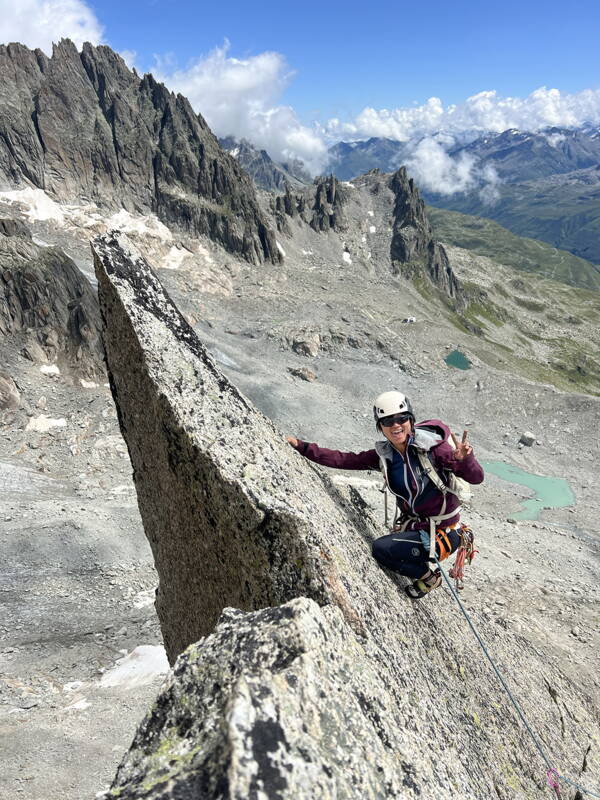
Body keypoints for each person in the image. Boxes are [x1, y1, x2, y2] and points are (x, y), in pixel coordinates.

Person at [287, 390, 484, 598]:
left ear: (411, 419)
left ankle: (428, 577)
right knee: (390, 548)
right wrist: (304, 448)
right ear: (380, 427)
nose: (396, 425)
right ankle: (426, 573)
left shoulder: (434, 449)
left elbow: (477, 477)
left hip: (444, 531)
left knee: (381, 549)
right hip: (420, 528)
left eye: (402, 418)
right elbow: (345, 459)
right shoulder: (385, 456)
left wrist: (465, 460)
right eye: (388, 421)